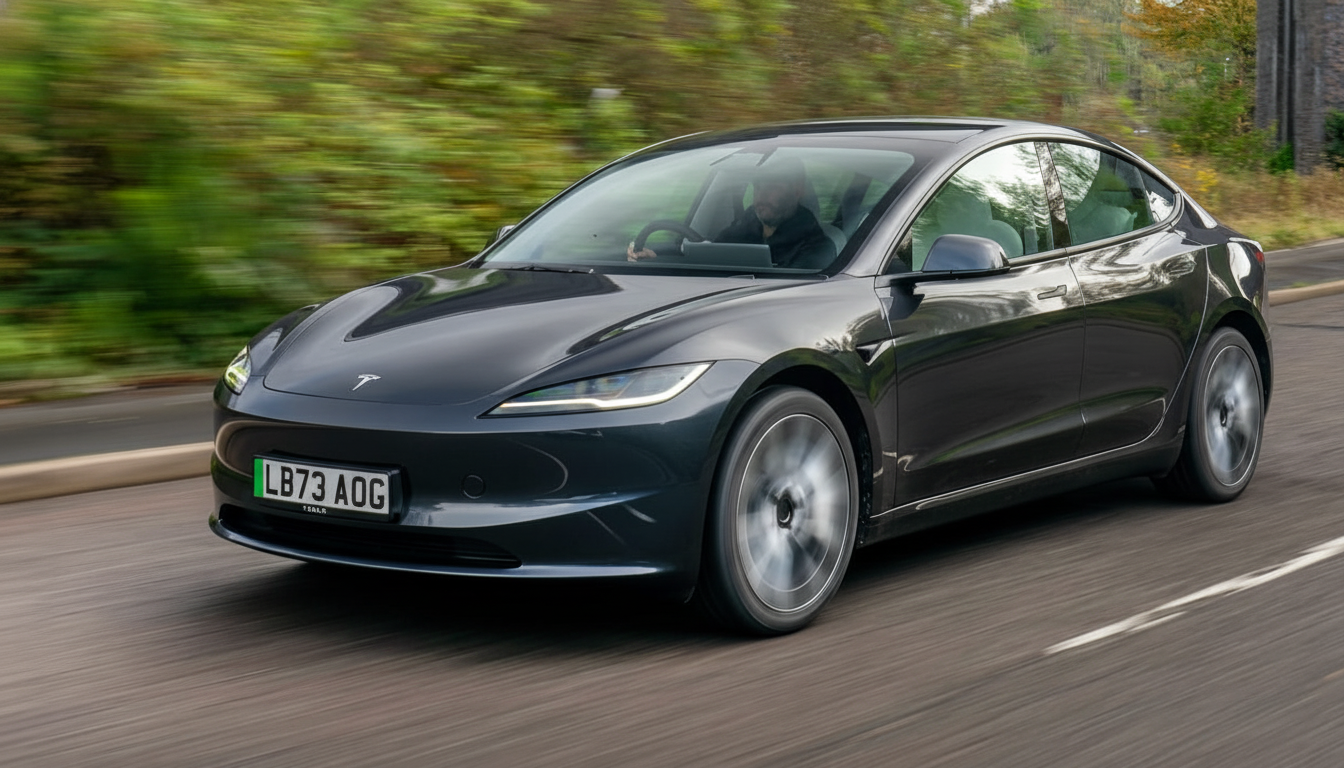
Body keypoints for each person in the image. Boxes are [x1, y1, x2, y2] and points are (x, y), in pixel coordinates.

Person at [627, 158, 837, 269]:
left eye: (772, 187)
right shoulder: (737, 232)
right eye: (758, 186)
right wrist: (656, 259)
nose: (761, 196)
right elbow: (704, 263)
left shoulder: (819, 249)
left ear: (797, 190)